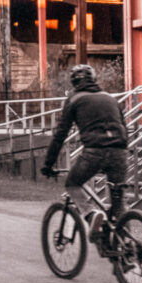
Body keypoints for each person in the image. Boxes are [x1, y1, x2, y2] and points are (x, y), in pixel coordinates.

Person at [41, 64, 129, 240]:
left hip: (94, 153)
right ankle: (126, 250)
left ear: (74, 82)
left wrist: (48, 164)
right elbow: (124, 128)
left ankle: (90, 214)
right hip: (120, 152)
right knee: (118, 204)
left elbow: (60, 134)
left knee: (72, 184)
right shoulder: (110, 98)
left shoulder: (75, 99)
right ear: (94, 79)